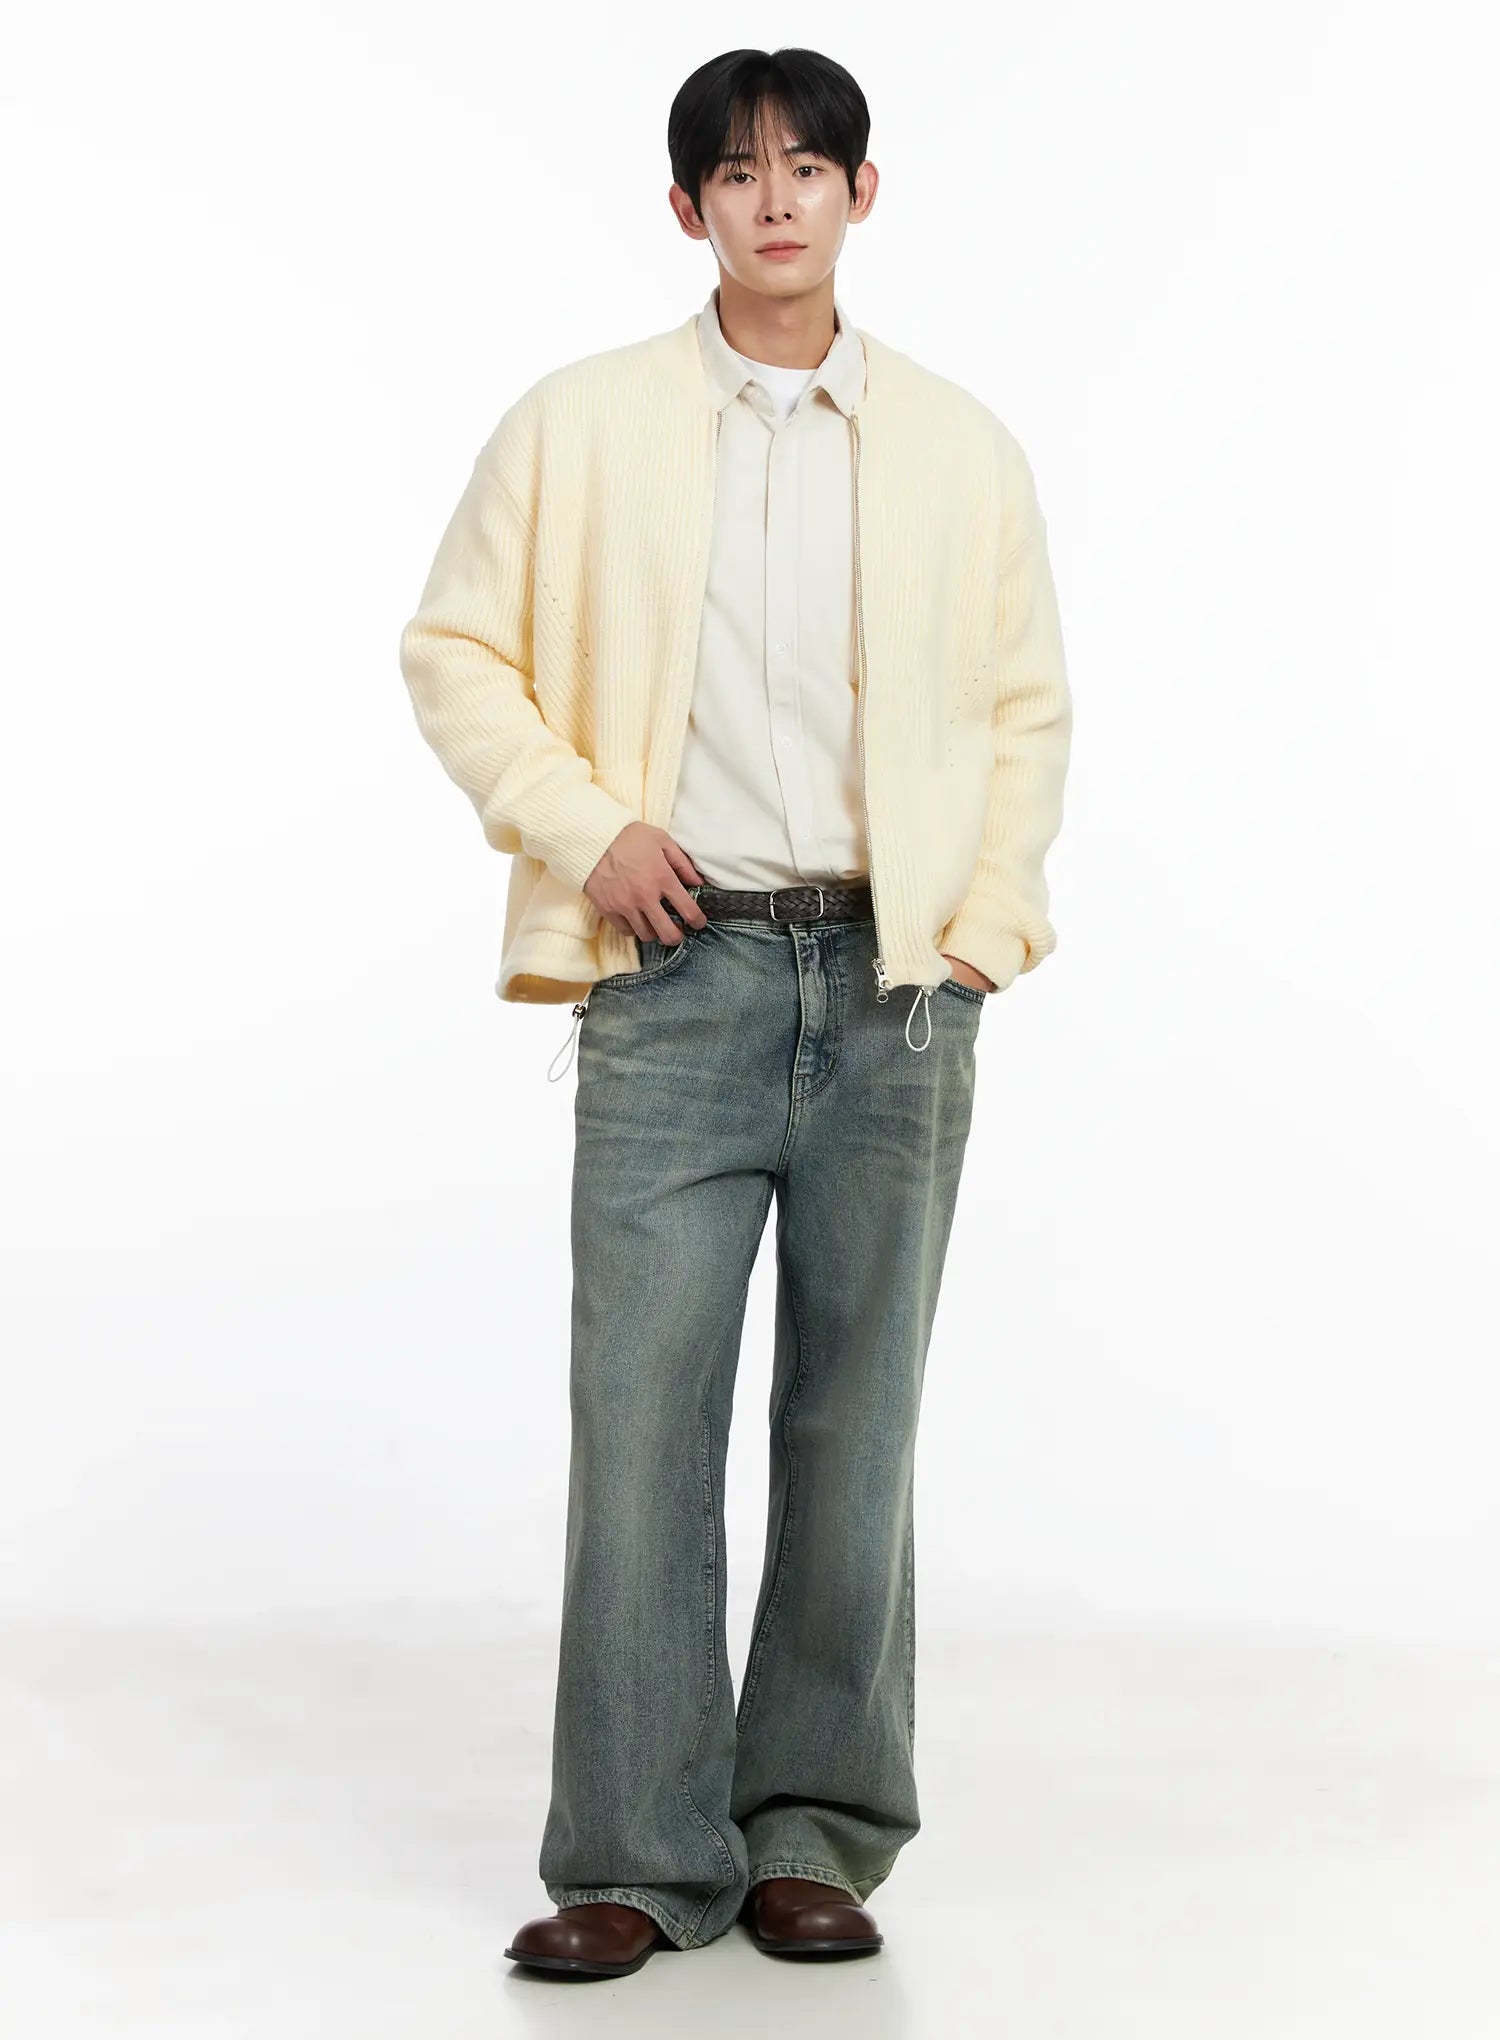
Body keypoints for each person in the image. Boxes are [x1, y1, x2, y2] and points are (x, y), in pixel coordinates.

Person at [397, 46, 1072, 1981]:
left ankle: (813, 1836)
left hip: (895, 989)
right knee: (641, 1421)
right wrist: (585, 829)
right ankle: (633, 1854)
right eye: (739, 171)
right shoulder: (581, 424)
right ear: (687, 207)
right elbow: (455, 649)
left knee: (857, 1425)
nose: (777, 199)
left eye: (810, 167)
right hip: (673, 976)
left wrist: (982, 931)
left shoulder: (959, 447)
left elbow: (1026, 707)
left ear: (865, 192)